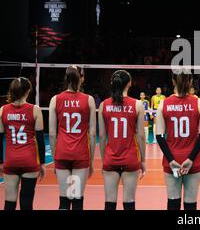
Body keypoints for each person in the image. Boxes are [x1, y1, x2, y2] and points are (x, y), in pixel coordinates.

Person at [155, 70, 200, 210]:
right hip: (194, 160)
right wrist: (190, 159)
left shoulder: (163, 104)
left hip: (171, 159)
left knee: (173, 201)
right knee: (191, 203)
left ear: (173, 81)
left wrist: (171, 160)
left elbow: (159, 136)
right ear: (191, 82)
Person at [49, 66, 97, 210]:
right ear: (82, 78)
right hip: (80, 154)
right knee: (76, 197)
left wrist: (55, 158)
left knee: (64, 199)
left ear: (66, 78)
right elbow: (93, 133)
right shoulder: (89, 100)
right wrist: (92, 161)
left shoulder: (55, 99)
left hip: (62, 153)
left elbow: (52, 133)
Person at [98, 70, 146, 210]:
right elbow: (141, 136)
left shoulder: (103, 105)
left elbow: (102, 136)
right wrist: (142, 161)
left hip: (110, 158)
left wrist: (103, 160)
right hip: (130, 158)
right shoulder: (137, 105)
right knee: (129, 202)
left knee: (109, 202)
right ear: (129, 83)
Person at [0, 77, 46, 210]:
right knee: (26, 201)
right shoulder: (35, 110)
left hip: (11, 161)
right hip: (29, 161)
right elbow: (41, 139)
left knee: (9, 202)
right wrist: (42, 163)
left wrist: (0, 162)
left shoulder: (3, 110)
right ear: (27, 91)